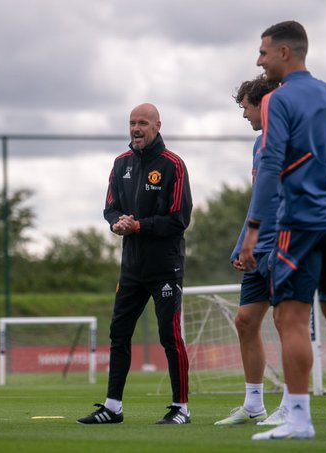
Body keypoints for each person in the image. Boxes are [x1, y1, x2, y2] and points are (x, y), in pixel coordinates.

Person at [239, 21, 326, 440]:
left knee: (291, 318)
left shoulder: (278, 101)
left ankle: (298, 418)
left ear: (284, 53)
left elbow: (270, 165)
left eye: (263, 52)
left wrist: (254, 229)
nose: (259, 60)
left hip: (300, 224)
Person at [77, 103, 193, 425]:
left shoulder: (173, 165)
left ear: (157, 126)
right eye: (132, 123)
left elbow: (179, 219)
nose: (136, 129)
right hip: (131, 268)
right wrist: (117, 223)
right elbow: (110, 208)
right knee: (119, 333)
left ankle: (181, 408)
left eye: (143, 123)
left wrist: (139, 225)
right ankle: (113, 407)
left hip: (165, 268)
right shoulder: (120, 164)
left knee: (170, 336)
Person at [213, 75, 290, 427]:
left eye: (245, 106)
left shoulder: (288, 138)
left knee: (287, 322)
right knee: (245, 321)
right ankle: (254, 404)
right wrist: (242, 242)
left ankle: (293, 404)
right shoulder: (258, 145)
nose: (243, 114)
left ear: (263, 103)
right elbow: (258, 199)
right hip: (256, 250)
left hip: (284, 246)